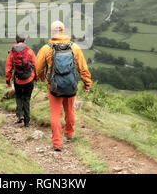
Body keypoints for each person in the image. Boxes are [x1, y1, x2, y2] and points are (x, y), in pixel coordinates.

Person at [36, 21, 92, 151]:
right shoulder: (75, 47)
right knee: (69, 110)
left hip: (54, 86)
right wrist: (87, 83)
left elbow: (38, 67)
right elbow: (82, 68)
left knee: (55, 114)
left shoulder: (46, 48)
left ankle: (57, 143)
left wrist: (41, 77)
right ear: (63, 30)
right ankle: (69, 133)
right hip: (70, 84)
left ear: (52, 32)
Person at [5, 34, 37, 127]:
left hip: (18, 79)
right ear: (24, 40)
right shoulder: (29, 51)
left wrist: (8, 81)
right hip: (29, 79)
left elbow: (8, 68)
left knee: (19, 96)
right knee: (26, 99)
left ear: (16, 40)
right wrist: (36, 77)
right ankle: (27, 122)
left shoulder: (12, 53)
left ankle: (20, 115)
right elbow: (35, 65)